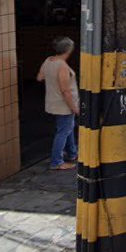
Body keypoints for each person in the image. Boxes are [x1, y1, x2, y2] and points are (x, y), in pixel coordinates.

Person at [37, 37, 79, 171]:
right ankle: (56, 162)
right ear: (68, 50)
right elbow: (65, 91)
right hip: (64, 104)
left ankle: (72, 153)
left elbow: (40, 77)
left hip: (52, 101)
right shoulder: (62, 66)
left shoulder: (48, 60)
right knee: (63, 131)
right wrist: (74, 107)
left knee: (68, 127)